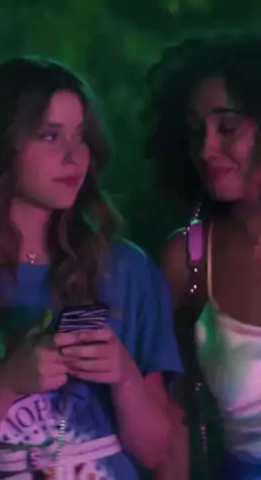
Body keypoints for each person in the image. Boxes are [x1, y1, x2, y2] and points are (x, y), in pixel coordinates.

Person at [0, 56, 182, 480]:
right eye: (50, 135)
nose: (73, 156)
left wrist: (124, 377)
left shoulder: (127, 270)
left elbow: (156, 452)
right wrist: (5, 383)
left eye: (81, 136)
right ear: (1, 146)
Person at [145, 35, 261, 480]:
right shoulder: (188, 261)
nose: (207, 149)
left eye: (227, 128)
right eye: (196, 133)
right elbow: (172, 416)